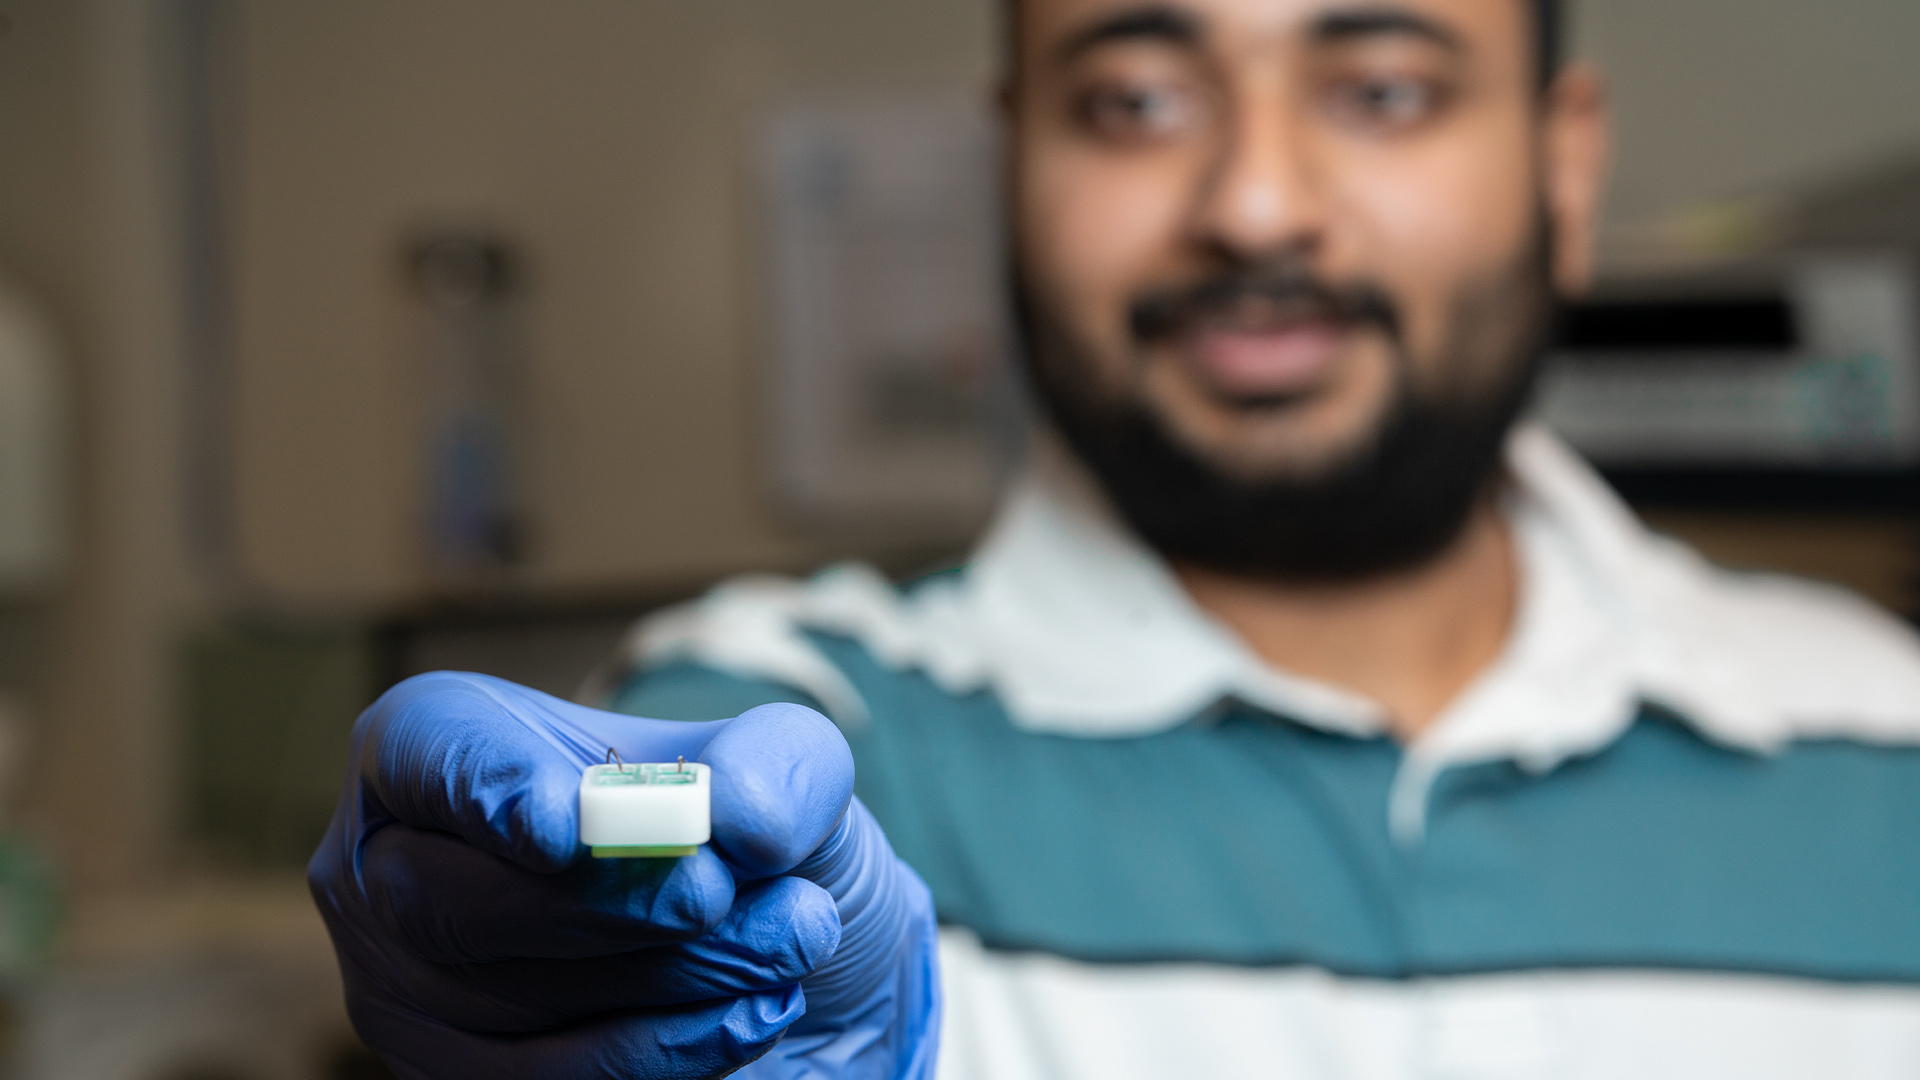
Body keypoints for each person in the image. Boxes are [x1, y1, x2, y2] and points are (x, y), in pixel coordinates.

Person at [308, 0, 1920, 1075]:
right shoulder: (802, 737)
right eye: (1137, 99)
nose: (1260, 205)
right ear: (1013, 155)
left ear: (1565, 163)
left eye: (1383, 89)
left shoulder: (1892, 747)